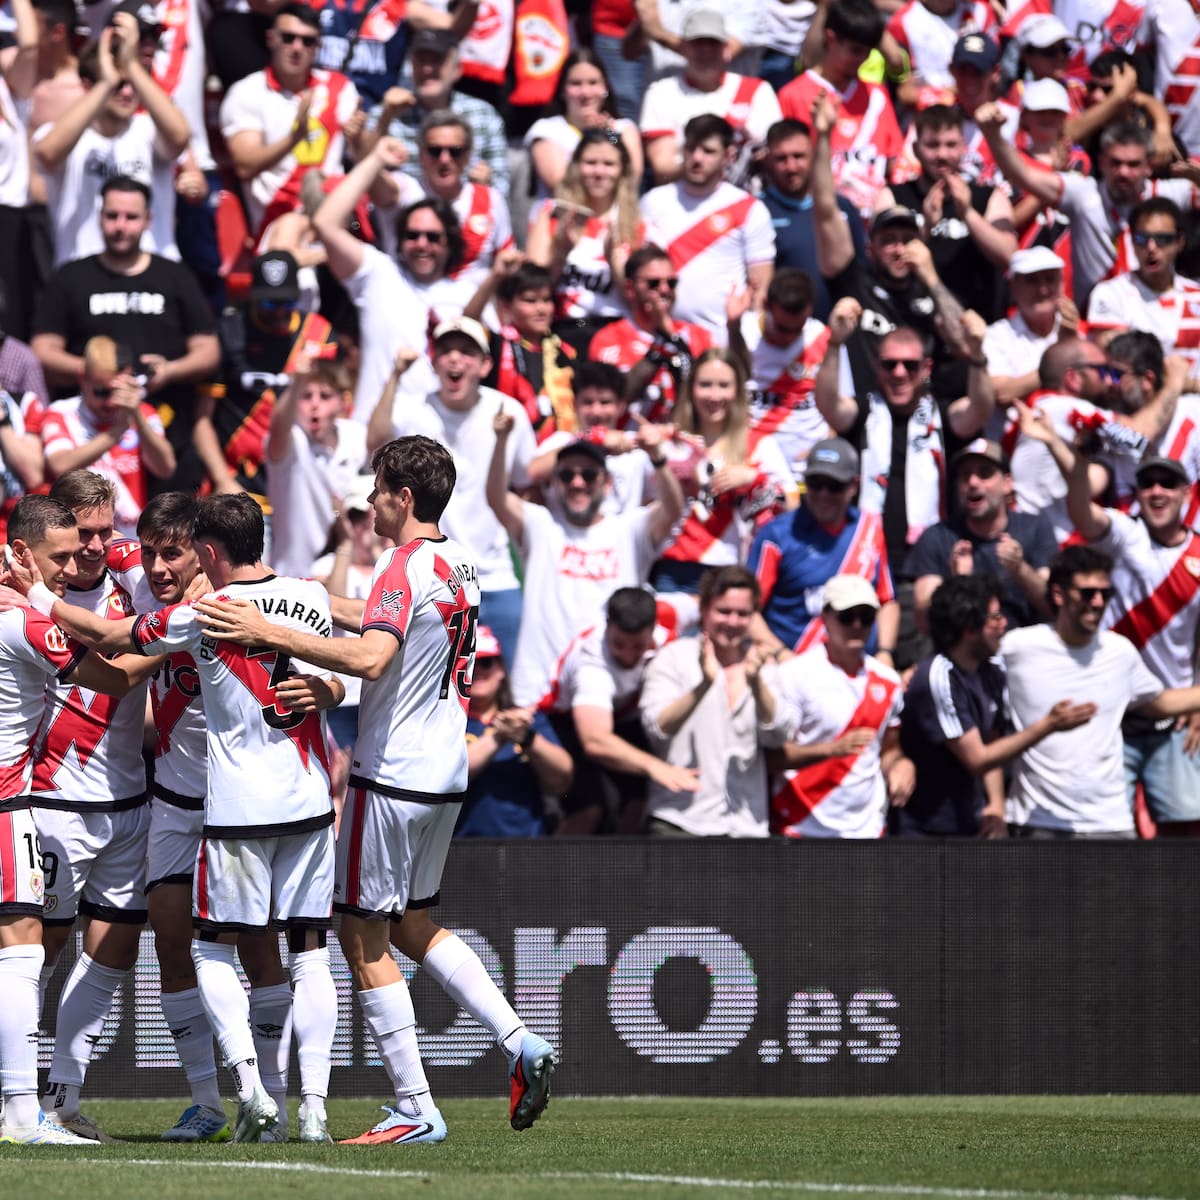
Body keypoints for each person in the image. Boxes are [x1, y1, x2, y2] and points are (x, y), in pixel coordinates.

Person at [195, 436, 559, 1142]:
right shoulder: (457, 562)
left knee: (362, 941)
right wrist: (300, 598)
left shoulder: (400, 562)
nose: (369, 501)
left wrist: (264, 625)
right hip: (446, 772)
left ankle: (416, 1107)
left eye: (379, 490)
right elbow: (381, 617)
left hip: (390, 773)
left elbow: (371, 653)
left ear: (405, 498)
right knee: (415, 925)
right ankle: (521, 1041)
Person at [25, 493, 342, 1141]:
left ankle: (270, 1099)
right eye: (148, 552)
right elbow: (100, 541)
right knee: (177, 940)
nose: (157, 564)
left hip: (236, 802)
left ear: (204, 552)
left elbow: (119, 665)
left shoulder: (200, 611)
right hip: (183, 797)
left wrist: (34, 600)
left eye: (173, 552)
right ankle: (212, 1102)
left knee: (257, 950)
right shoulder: (285, 592)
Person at [0, 494, 159, 1146]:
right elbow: (118, 681)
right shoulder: (29, 621)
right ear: (21, 554)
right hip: (22, 797)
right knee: (25, 952)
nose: (71, 565)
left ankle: (44, 1103)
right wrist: (181, 632)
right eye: (59, 555)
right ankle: (19, 1111)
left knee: (32, 949)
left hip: (95, 800)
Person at [1020, 405, 1200, 837]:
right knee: (1103, 839)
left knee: (1186, 835)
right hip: (1110, 714)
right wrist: (1063, 450)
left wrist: (1198, 707)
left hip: (1174, 718)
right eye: (1146, 483)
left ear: (1186, 493)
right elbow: (1082, 510)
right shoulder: (1125, 533)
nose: (1156, 492)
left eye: (1168, 484)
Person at [30, 175, 220, 494]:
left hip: (163, 424)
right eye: (112, 216)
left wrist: (170, 371)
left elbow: (209, 349)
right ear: (100, 217)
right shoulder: (72, 277)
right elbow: (43, 348)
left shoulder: (174, 276)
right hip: (87, 431)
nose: (121, 226)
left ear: (149, 221)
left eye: (131, 217)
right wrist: (95, 374)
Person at [815, 299, 994, 626]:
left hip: (926, 564)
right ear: (876, 367)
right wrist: (835, 343)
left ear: (926, 368)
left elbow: (979, 410)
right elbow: (828, 405)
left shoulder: (939, 413)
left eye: (909, 366)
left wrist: (978, 356)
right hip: (866, 558)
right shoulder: (865, 411)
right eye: (890, 365)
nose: (899, 373)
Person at [1001, 544, 1200, 837]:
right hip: (1039, 823)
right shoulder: (1017, 648)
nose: (1097, 602)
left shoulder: (1119, 651)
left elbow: (1159, 702)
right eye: (1087, 593)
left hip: (1110, 824)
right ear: (1058, 594)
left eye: (1105, 594)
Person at [371, 316, 536, 661]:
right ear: (433, 362)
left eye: (467, 351)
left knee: (510, 684)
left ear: (486, 364)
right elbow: (374, 442)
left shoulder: (509, 411)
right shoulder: (414, 409)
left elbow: (526, 483)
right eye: (445, 350)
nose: (455, 359)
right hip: (433, 577)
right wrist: (395, 375)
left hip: (496, 575)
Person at [489, 416, 684, 706]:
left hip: (609, 694)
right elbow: (496, 497)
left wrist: (656, 457)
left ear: (606, 484)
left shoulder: (629, 529)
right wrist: (501, 440)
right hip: (539, 693)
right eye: (567, 475)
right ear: (555, 484)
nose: (577, 483)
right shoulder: (541, 525)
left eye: (589, 475)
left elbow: (673, 508)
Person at [897, 574, 1095, 837]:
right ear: (969, 629)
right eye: (995, 617)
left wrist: (996, 808)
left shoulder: (990, 671)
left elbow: (992, 741)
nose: (1005, 624)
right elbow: (978, 759)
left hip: (972, 824)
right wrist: (1049, 725)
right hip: (925, 831)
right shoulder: (939, 677)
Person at [977, 106, 1200, 309]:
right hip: (1094, 313)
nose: (1123, 172)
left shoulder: (1170, 193)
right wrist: (992, 134)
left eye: (1133, 164)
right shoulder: (1084, 193)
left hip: (1155, 310)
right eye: (1115, 163)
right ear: (1101, 162)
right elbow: (1023, 175)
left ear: (1149, 165)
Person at [315, 137, 470, 422]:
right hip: (375, 442)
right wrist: (374, 160)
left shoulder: (468, 294)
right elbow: (326, 223)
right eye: (412, 236)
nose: (422, 244)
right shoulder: (380, 274)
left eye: (433, 237)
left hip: (441, 442)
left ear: (450, 244)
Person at [639, 565, 789, 837]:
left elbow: (778, 736)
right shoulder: (673, 658)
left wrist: (756, 685)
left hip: (745, 827)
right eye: (724, 611)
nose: (732, 622)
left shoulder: (764, 667)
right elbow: (656, 728)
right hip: (681, 821)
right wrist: (703, 687)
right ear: (704, 610)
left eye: (742, 614)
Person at [31, 11, 189, 265]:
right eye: (118, 85)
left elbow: (179, 136)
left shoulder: (148, 129)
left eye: (132, 83)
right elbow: (48, 154)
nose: (127, 92)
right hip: (83, 277)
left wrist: (133, 65)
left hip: (151, 276)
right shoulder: (63, 134)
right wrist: (106, 83)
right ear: (87, 85)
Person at [542, 587, 698, 835]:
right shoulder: (593, 666)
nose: (627, 654)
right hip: (565, 721)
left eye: (638, 645)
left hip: (620, 716)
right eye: (619, 644)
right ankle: (552, 872)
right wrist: (656, 767)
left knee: (638, 800)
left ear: (653, 627)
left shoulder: (669, 612)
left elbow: (715, 604)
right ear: (607, 625)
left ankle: (622, 868)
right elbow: (596, 741)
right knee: (590, 808)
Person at [769, 573, 908, 838]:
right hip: (801, 827)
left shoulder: (889, 681)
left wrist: (901, 765)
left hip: (867, 830)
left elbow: (889, 749)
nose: (856, 625)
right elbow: (773, 758)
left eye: (866, 617)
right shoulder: (793, 675)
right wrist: (832, 750)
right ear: (825, 617)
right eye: (847, 616)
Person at [653, 348, 796, 595]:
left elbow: (793, 505)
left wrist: (754, 479)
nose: (714, 395)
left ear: (738, 392)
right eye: (705, 385)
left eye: (723, 385)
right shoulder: (669, 441)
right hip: (671, 569)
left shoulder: (759, 444)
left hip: (728, 573)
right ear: (690, 389)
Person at [747, 436, 899, 660]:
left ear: (853, 486)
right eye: (816, 484)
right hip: (794, 666)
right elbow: (747, 609)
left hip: (857, 670)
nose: (823, 494)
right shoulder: (776, 535)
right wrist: (780, 654)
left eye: (834, 485)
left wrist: (885, 653)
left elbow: (887, 600)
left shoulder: (869, 530)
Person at [219, 3, 363, 237]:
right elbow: (244, 167)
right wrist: (294, 138)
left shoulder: (340, 88)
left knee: (362, 225)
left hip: (337, 222)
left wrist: (376, 125)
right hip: (275, 225)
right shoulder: (246, 92)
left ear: (318, 46)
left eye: (307, 41)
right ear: (271, 39)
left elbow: (363, 155)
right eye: (288, 38)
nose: (297, 48)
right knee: (292, 236)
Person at [875, 104, 1017, 324]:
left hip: (979, 325)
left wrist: (969, 214)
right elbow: (880, 260)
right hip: (912, 325)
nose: (942, 154)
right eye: (932, 145)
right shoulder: (893, 196)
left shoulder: (989, 197)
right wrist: (926, 227)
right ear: (915, 149)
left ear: (964, 148)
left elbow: (1009, 257)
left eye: (951, 145)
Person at [640, 114, 775, 346]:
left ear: (729, 156)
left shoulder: (749, 208)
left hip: (722, 341)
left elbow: (760, 286)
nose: (696, 158)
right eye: (691, 148)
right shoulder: (653, 201)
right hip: (660, 339)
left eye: (708, 151)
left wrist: (750, 342)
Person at [904, 438, 1058, 632]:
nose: (973, 482)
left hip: (1024, 650)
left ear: (1007, 483)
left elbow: (1056, 607)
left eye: (985, 474)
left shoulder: (1035, 528)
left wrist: (1020, 569)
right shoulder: (937, 537)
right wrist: (957, 583)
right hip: (965, 655)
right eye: (965, 475)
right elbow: (924, 621)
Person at [40, 336, 176, 535]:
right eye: (102, 392)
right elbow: (59, 465)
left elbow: (166, 468)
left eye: (117, 391)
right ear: (82, 378)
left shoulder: (143, 413)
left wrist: (136, 415)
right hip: (78, 537)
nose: (111, 402)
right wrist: (116, 432)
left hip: (129, 538)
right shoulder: (60, 413)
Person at [777, 0, 900, 216]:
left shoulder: (877, 96)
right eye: (855, 50)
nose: (861, 59)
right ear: (831, 38)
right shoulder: (792, 96)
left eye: (867, 52)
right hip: (821, 219)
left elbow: (894, 161)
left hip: (874, 224)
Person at [527, 130, 642, 356]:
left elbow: (639, 303)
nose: (599, 172)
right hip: (561, 331)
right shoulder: (553, 213)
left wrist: (614, 264)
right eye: (591, 163)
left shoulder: (636, 224)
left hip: (615, 333)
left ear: (622, 171)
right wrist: (561, 252)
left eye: (609, 164)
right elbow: (531, 290)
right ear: (576, 166)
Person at [639, 9, 782, 189]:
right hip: (681, 202)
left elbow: (777, 153)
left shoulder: (757, 90)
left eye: (713, 43)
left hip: (745, 198)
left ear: (726, 49)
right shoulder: (661, 93)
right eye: (698, 43)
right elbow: (663, 169)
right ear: (683, 48)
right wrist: (711, 158)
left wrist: (756, 150)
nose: (706, 51)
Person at [459, 625, 573, 838]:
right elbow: (454, 774)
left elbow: (562, 780)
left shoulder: (528, 720)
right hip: (461, 849)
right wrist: (499, 735)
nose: (479, 672)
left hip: (524, 851)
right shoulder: (450, 722)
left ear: (501, 668)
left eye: (486, 662)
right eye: (470, 664)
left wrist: (527, 737)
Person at [731, 268, 842, 482]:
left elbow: (836, 413)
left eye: (797, 329)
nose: (789, 338)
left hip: (807, 474)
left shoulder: (824, 338)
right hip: (750, 469)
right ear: (765, 305)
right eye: (782, 328)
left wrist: (823, 451)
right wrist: (732, 327)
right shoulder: (741, 331)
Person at [373, 28, 509, 199]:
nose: (427, 69)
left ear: (457, 69)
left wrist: (486, 185)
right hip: (401, 217)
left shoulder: (484, 115)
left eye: (437, 61)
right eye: (421, 61)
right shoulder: (388, 111)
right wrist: (385, 119)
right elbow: (362, 169)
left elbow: (502, 189)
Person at [587, 243, 714, 424]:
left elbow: (708, 396)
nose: (664, 290)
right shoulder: (608, 338)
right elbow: (618, 397)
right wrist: (661, 345)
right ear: (630, 288)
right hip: (628, 442)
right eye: (653, 283)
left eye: (671, 283)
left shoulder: (700, 336)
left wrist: (672, 337)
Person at [265, 355, 367, 577]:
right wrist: (297, 382)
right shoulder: (292, 443)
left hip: (344, 577)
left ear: (342, 402)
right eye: (306, 396)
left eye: (325, 396)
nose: (314, 404)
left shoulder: (355, 435)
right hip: (292, 576)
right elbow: (278, 426)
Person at [759, 119, 866, 323]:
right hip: (786, 334)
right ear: (767, 161)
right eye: (781, 159)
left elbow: (862, 271)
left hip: (841, 329)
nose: (791, 167)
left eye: (799, 156)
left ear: (814, 156)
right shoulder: (757, 212)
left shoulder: (842, 208)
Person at [526, 360, 656, 516]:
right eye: (588, 402)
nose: (596, 411)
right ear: (574, 405)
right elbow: (530, 473)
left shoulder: (637, 445)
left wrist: (660, 440)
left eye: (605, 402)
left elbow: (660, 499)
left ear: (621, 406)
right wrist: (591, 438)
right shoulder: (561, 441)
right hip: (566, 538)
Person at [467, 258, 576, 442]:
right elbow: (468, 323)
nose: (541, 309)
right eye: (530, 301)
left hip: (558, 453)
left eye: (546, 300)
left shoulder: (566, 351)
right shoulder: (497, 345)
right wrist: (496, 276)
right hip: (505, 445)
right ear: (506, 305)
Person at [1086, 198, 1200, 366]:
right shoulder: (1110, 294)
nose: (1151, 247)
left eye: (1162, 239)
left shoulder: (1196, 294)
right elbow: (1121, 366)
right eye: (1142, 238)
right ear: (1131, 240)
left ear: (1180, 242)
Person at [524, 48, 644, 199]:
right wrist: (590, 137)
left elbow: (631, 179)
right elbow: (561, 185)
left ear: (605, 87)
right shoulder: (546, 130)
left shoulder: (622, 129)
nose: (585, 93)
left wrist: (609, 135)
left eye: (593, 83)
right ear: (563, 89)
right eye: (576, 83)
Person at [983, 246, 1077, 411]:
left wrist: (1072, 341)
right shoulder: (995, 336)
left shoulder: (1076, 330)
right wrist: (1065, 358)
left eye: (1050, 279)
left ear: (1062, 283)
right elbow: (1002, 393)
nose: (1043, 289)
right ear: (1014, 287)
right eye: (1032, 281)